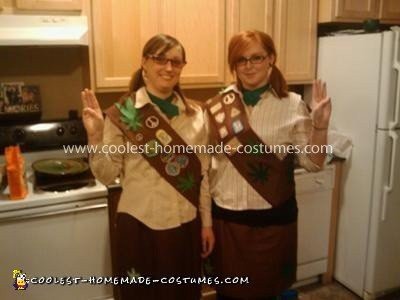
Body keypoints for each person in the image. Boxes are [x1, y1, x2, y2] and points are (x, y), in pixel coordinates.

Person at [81, 34, 214, 300]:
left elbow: (202, 174)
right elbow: (107, 175)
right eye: (160, 59)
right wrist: (95, 137)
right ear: (144, 63)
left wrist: (206, 223)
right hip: (140, 229)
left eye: (176, 62)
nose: (168, 67)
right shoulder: (124, 113)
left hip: (185, 226)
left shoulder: (196, 115)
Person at [206, 30, 331, 300]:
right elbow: (207, 166)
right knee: (230, 293)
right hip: (228, 222)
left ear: (270, 59)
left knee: (269, 292)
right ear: (233, 65)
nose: (249, 66)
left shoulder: (292, 105)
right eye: (241, 60)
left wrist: (320, 126)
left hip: (274, 222)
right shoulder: (216, 107)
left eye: (256, 57)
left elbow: (314, 163)